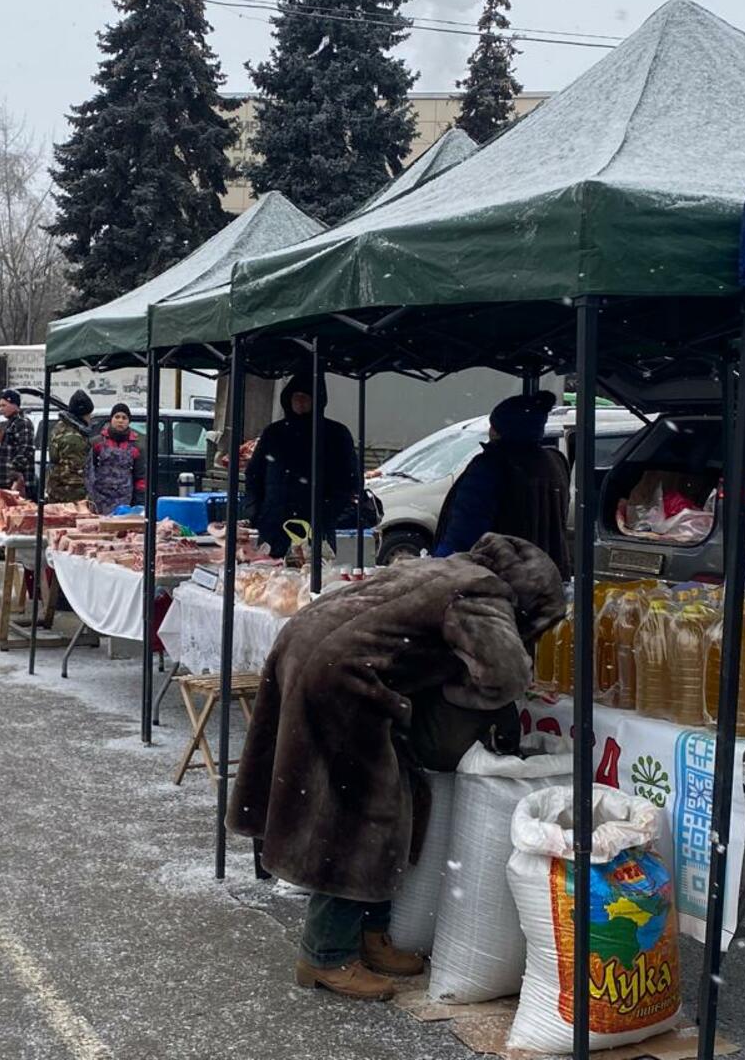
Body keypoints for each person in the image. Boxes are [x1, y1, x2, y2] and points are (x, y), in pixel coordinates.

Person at [230, 534, 564, 1001]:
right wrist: (458, 693)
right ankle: (325, 956)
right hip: (344, 681)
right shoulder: (484, 596)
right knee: (355, 820)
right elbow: (507, 675)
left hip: (310, 654)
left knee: (396, 803)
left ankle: (371, 932)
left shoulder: (446, 569)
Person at [433, 390, 571, 578]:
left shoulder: (491, 466)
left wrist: (440, 566)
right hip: (546, 579)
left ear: (499, 430)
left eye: (493, 425)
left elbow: (466, 529)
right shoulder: (555, 463)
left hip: (498, 582)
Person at [245, 372, 358, 558]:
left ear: (317, 400)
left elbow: (350, 481)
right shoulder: (274, 433)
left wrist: (329, 514)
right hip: (274, 525)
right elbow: (254, 474)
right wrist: (255, 511)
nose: (300, 402)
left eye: (305, 397)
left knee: (314, 577)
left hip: (316, 526)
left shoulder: (335, 434)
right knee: (269, 581)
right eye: (295, 397)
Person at [85, 403, 146, 515]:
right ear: (111, 419)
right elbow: (88, 471)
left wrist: (139, 501)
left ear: (129, 421)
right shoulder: (97, 443)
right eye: (117, 417)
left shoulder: (137, 446)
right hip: (99, 498)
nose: (120, 421)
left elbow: (140, 477)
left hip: (124, 499)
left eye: (124, 418)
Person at [46, 390, 94, 504]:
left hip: (55, 488)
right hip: (69, 495)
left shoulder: (60, 427)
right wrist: (83, 497)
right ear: (83, 414)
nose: (90, 417)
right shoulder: (74, 439)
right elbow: (74, 475)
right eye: (89, 414)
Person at [0, 388, 35, 493]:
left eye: (4, 405)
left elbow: (26, 449)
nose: (1, 409)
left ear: (15, 405)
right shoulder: (11, 423)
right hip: (7, 482)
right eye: (0, 405)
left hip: (16, 484)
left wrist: (13, 470)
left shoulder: (22, 423)